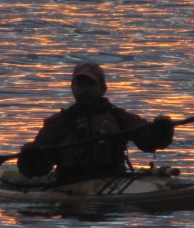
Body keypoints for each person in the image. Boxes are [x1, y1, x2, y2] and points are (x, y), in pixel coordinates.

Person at [17, 62, 174, 182]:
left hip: (113, 179)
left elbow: (151, 143)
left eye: (90, 84)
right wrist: (30, 155)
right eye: (80, 84)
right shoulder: (58, 123)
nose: (85, 90)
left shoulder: (121, 118)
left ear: (103, 88)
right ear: (72, 88)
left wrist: (164, 129)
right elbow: (36, 170)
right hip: (69, 184)